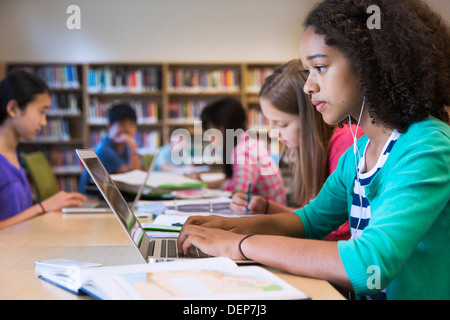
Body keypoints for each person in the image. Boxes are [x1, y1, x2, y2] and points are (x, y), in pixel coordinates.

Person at [177, 0, 450, 300]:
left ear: (370, 65)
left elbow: (371, 261)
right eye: (308, 71)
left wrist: (240, 244)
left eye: (319, 67)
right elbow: (309, 221)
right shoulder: (359, 152)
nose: (308, 86)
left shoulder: (427, 145)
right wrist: (229, 228)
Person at [230, 60, 363, 241]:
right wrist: (267, 207)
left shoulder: (346, 142)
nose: (272, 132)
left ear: (311, 118)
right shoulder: (315, 150)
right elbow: (314, 220)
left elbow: (337, 234)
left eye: (282, 124)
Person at [0, 70, 86, 230]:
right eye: (41, 112)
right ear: (13, 109)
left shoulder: (13, 154)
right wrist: (42, 207)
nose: (44, 122)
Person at [198, 97, 286, 204]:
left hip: (269, 216)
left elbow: (240, 189)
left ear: (222, 127)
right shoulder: (247, 142)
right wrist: (207, 184)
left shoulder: (244, 150)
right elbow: (236, 180)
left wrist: (214, 185)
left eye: (209, 129)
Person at [78, 102, 141, 194]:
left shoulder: (123, 147)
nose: (127, 129)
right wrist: (132, 145)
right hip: (91, 200)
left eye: (131, 124)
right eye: (122, 124)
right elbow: (134, 177)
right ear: (109, 127)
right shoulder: (105, 150)